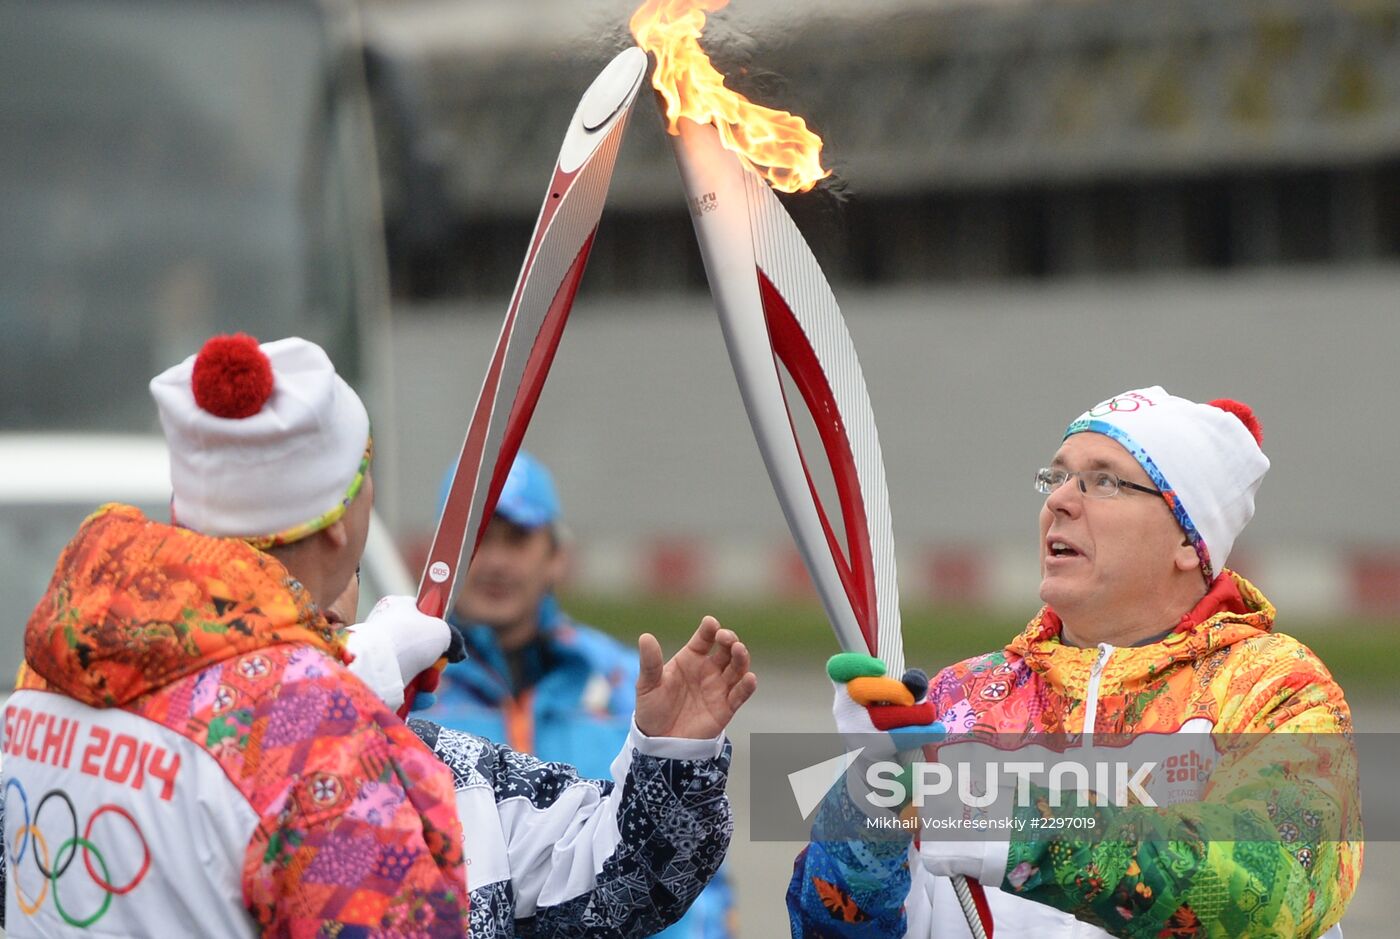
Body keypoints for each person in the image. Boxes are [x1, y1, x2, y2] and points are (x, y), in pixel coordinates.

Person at [2, 334, 756, 937]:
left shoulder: (34, 714)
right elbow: (275, 757)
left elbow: (607, 877)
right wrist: (343, 701)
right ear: (341, 528)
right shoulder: (326, 753)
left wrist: (671, 754)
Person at [787, 387, 1363, 938]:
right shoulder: (959, 697)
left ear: (1189, 541)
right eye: (1058, 477)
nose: (1059, 501)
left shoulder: (1277, 690)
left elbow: (1280, 890)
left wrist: (1001, 818)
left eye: (1104, 482)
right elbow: (830, 928)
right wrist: (866, 806)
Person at [429, 451, 736, 938]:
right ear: (442, 554)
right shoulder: (408, 694)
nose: (495, 561)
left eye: (517, 539)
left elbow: (691, 871)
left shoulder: (631, 685)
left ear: (557, 556)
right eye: (479, 538)